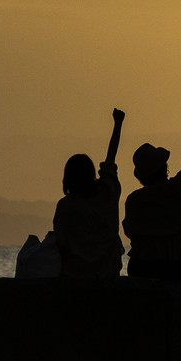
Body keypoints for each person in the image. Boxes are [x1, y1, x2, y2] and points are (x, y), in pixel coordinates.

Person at [122, 96, 181, 281]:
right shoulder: (176, 188)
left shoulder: (134, 200)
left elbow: (131, 231)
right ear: (164, 168)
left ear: (141, 176)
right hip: (178, 266)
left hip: (143, 267)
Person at [52, 108, 126, 278]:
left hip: (76, 274)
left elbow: (61, 243)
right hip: (109, 271)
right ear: (91, 175)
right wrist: (118, 124)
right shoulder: (107, 193)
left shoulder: (65, 206)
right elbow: (110, 158)